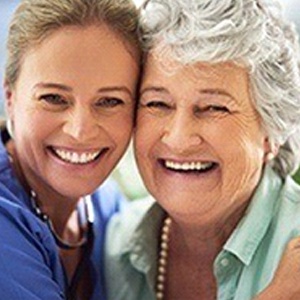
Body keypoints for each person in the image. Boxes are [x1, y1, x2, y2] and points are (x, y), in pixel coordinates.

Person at [104, 0, 300, 299]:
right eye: (158, 103)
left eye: (213, 107)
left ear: (271, 133)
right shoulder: (116, 245)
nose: (179, 139)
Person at [0, 0, 140, 299]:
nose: (80, 131)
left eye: (109, 101)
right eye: (53, 98)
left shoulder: (106, 204)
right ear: (10, 97)